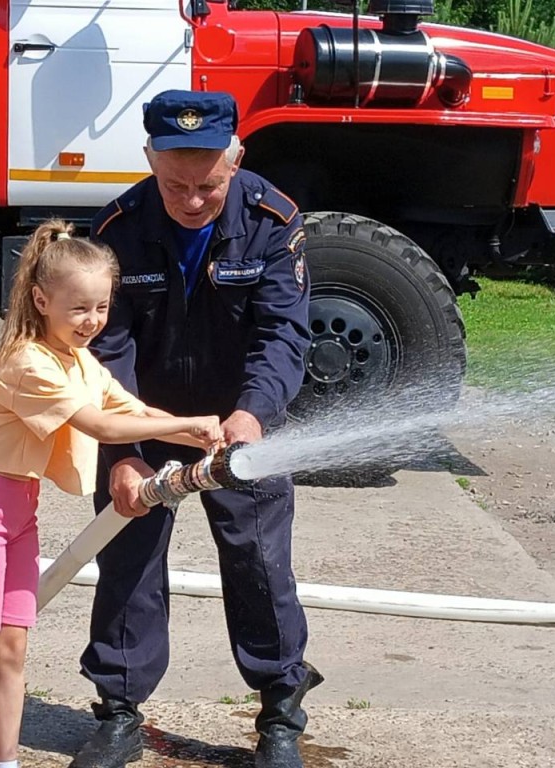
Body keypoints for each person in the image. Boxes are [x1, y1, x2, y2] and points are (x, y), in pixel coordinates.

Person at [73, 90, 323, 768]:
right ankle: (119, 714)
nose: (190, 200)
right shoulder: (117, 229)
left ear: (236, 159)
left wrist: (254, 414)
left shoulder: (274, 221)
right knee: (128, 562)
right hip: (144, 418)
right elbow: (106, 346)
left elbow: (283, 334)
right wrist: (122, 449)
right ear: (150, 158)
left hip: (241, 422)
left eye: (208, 186)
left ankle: (279, 714)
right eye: (174, 183)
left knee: (260, 563)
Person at [0, 219, 224, 768]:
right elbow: (101, 427)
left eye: (102, 307)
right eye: (79, 308)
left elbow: (134, 412)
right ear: (42, 300)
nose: (92, 320)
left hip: (20, 510)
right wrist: (190, 423)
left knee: (15, 648)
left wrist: (192, 432)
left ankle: (6, 761)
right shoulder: (28, 361)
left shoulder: (79, 361)